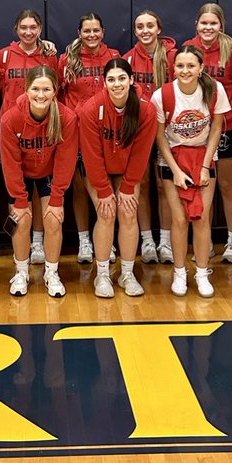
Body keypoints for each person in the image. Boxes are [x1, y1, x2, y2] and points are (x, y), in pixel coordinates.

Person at [153, 44, 229, 297]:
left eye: (190, 66)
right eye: (180, 66)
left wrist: (206, 166)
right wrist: (175, 170)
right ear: (173, 69)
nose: (185, 71)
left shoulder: (215, 90)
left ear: (201, 68)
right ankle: (179, 272)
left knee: (202, 218)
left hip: (203, 158)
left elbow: (216, 129)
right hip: (172, 159)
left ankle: (202, 273)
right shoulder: (162, 95)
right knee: (179, 219)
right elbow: (160, 137)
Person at [78, 58, 157, 298]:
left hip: (127, 168)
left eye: (122, 78)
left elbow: (141, 153)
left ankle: (127, 273)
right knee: (106, 213)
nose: (117, 84)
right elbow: (91, 155)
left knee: (128, 212)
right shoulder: (91, 109)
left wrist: (129, 186)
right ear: (104, 83)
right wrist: (104, 191)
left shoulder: (146, 109)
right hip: (98, 167)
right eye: (111, 80)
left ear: (131, 80)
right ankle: (102, 274)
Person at [0, 66, 78, 298]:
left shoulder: (66, 117)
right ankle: (21, 272)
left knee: (53, 219)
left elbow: (65, 161)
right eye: (35, 89)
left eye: (46, 89)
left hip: (49, 172)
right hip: (21, 174)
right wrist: (19, 200)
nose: (41, 95)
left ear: (55, 91)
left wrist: (57, 198)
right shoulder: (11, 119)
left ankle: (51, 273)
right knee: (20, 221)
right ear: (26, 89)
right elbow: (10, 164)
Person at [0, 9, 58, 263]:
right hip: (13, 131)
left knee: (42, 191)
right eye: (23, 27)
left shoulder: (49, 55)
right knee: (17, 190)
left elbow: (56, 89)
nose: (28, 32)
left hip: (43, 131)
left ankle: (38, 243)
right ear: (16, 29)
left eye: (33, 27)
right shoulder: (4, 56)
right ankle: (20, 250)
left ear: (40, 29)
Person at [58, 13, 119, 269]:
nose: (91, 35)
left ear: (103, 32)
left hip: (107, 132)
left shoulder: (113, 57)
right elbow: (59, 94)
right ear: (79, 33)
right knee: (80, 188)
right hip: (77, 131)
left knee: (105, 185)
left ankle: (107, 239)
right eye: (87, 31)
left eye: (96, 30)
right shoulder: (68, 59)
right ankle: (84, 240)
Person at [125, 10, 177, 265]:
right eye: (140, 27)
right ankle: (147, 240)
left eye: (149, 26)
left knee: (164, 185)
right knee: (142, 184)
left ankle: (165, 241)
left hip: (168, 130)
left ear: (159, 29)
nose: (145, 31)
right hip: (140, 129)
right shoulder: (128, 59)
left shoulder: (173, 57)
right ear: (135, 31)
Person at [193, 4, 232, 264]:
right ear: (197, 25)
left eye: (213, 23)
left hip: (227, 127)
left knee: (227, 184)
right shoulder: (189, 48)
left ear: (221, 25)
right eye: (204, 23)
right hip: (199, 129)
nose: (208, 28)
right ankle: (206, 241)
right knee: (203, 186)